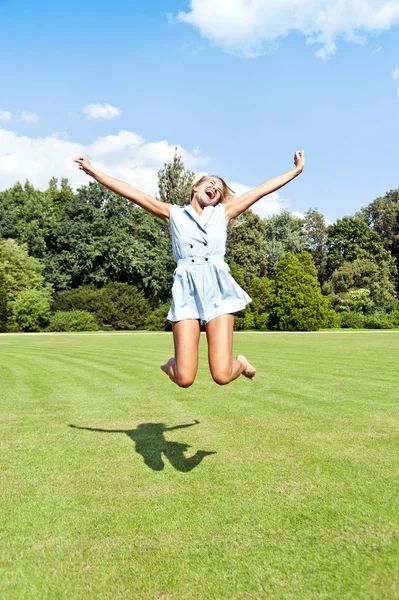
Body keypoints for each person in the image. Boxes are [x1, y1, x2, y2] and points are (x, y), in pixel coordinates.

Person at [74, 150, 305, 387]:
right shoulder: (173, 214)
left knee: (222, 376)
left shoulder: (222, 213)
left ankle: (241, 363)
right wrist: (94, 172)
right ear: (196, 187)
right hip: (187, 290)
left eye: (219, 191)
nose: (215, 189)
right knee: (184, 379)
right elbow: (133, 193)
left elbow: (262, 189)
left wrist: (296, 171)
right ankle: (170, 365)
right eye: (211, 183)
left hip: (217, 289)